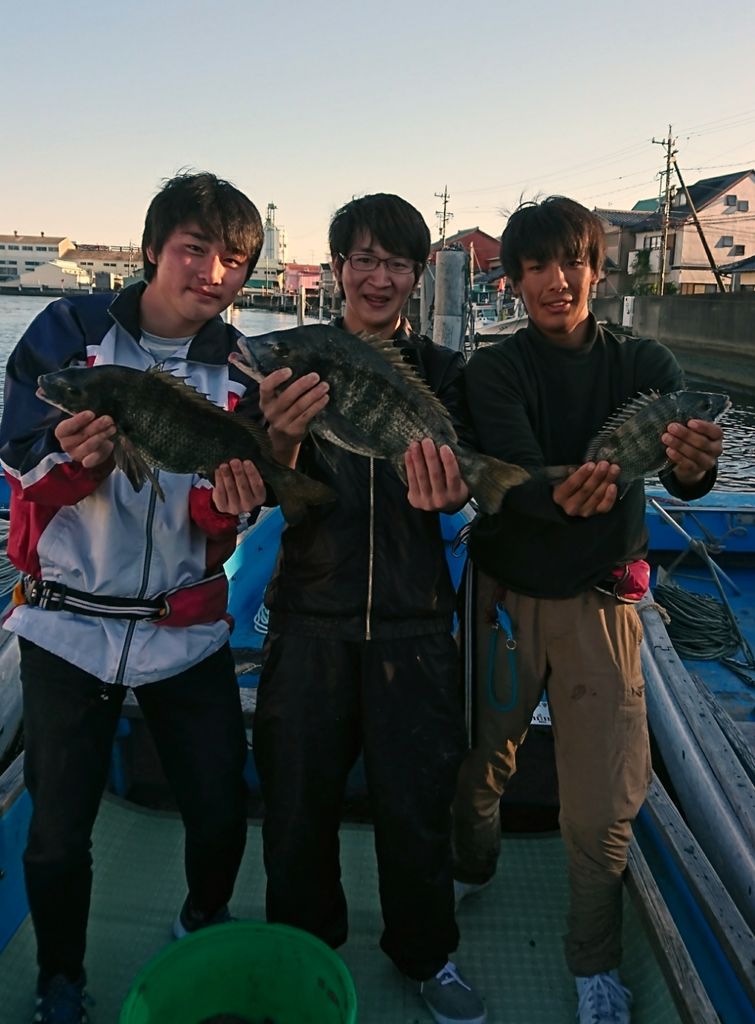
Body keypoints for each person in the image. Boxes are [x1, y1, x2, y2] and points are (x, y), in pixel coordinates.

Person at [0, 171, 267, 1024]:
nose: (213, 273)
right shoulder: (69, 331)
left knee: (222, 802)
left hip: (185, 632)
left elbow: (241, 490)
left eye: (233, 259)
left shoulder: (241, 366)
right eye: (195, 250)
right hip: (64, 626)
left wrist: (228, 507)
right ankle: (61, 979)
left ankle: (202, 917)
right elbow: (13, 449)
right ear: (153, 249)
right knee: (55, 832)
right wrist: (67, 459)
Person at [451, 196, 724, 1024]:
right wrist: (557, 496)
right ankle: (471, 867)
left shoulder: (647, 366)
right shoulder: (490, 374)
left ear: (595, 271)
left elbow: (684, 477)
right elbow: (509, 481)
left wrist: (696, 465)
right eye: (535, 265)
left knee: (604, 799)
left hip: (601, 602)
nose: (554, 280)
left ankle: (594, 962)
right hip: (503, 599)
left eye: (570, 262)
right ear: (514, 278)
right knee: (476, 771)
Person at [251, 193, 487, 1024]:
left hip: (416, 622)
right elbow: (254, 489)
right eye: (363, 259)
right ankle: (303, 954)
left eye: (396, 262)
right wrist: (276, 440)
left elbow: (465, 492)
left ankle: (427, 955)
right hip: (310, 616)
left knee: (416, 808)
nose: (378, 277)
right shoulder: (294, 362)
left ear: (418, 276)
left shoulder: (450, 376)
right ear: (339, 267)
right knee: (295, 807)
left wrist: (458, 494)